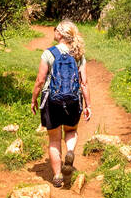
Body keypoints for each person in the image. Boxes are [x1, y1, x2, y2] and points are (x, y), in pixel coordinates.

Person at [30, 20, 91, 187]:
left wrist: (34, 99)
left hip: (52, 101)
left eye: (55, 29)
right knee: (71, 131)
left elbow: (40, 80)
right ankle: (70, 152)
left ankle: (57, 176)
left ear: (60, 34)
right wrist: (88, 105)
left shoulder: (49, 53)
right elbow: (84, 83)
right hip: (73, 100)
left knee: (54, 139)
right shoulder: (78, 54)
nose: (54, 31)